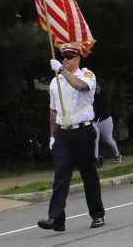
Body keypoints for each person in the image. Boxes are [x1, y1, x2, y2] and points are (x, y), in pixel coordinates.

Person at [37, 43, 105, 232]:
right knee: (61, 175)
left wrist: (61, 71)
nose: (65, 59)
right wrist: (52, 135)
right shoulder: (55, 82)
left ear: (77, 58)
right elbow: (53, 111)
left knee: (88, 174)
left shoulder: (86, 75)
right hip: (63, 133)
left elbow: (82, 87)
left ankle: (97, 215)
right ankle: (56, 218)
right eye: (63, 57)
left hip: (82, 131)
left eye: (69, 56)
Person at [93, 82, 121, 168]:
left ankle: (117, 154)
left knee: (108, 139)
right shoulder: (91, 96)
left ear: (99, 86)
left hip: (105, 120)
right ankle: (96, 159)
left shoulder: (104, 95)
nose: (95, 88)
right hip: (95, 121)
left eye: (96, 86)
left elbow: (106, 106)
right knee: (95, 139)